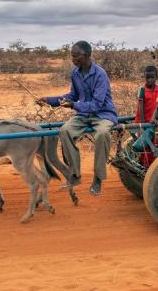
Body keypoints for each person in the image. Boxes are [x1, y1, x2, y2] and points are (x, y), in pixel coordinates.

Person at [38, 41, 118, 196]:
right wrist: (50, 100)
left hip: (103, 114)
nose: (73, 59)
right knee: (65, 130)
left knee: (102, 134)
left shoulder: (100, 74)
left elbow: (96, 104)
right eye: (71, 56)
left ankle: (98, 178)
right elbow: (72, 96)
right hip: (84, 115)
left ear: (86, 55)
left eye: (76, 56)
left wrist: (74, 105)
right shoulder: (75, 73)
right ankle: (75, 174)